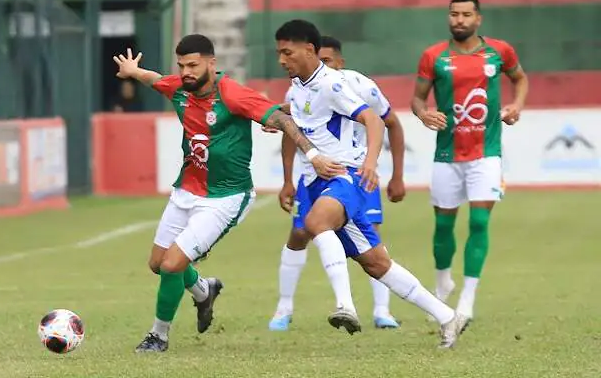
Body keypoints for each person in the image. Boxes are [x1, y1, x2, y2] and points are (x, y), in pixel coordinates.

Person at [113, 34, 345, 353]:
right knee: (157, 263)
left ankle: (158, 336)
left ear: (212, 63)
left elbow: (283, 119)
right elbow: (156, 80)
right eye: (181, 66)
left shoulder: (233, 94)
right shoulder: (180, 87)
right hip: (186, 190)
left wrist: (315, 155)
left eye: (193, 65)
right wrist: (134, 71)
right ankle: (203, 290)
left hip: (225, 198)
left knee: (171, 266)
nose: (186, 72)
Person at [275, 19, 464, 348]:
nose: (281, 60)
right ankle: (448, 316)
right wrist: (282, 116)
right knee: (378, 264)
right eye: (279, 53)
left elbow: (374, 119)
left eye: (287, 52)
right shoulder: (298, 87)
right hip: (317, 180)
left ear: (308, 50)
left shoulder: (332, 84)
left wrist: (370, 163)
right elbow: (303, 117)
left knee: (315, 223)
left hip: (344, 176)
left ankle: (345, 305)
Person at [268, 35, 406, 331]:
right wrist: (287, 180)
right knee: (299, 233)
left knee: (371, 240)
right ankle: (284, 308)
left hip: (355, 172)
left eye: (328, 60)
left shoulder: (359, 85)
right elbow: (292, 134)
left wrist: (395, 174)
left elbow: (389, 122)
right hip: (316, 175)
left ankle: (381, 310)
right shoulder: (299, 89)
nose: (322, 65)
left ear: (339, 62)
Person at [411, 0, 529, 328]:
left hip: (486, 154)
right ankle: (443, 280)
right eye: (453, 14)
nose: (459, 20)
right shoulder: (433, 56)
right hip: (447, 154)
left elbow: (520, 78)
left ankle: (467, 298)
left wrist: (517, 105)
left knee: (479, 223)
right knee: (444, 226)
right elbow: (417, 99)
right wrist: (424, 115)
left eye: (465, 15)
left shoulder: (499, 52)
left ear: (478, 19)